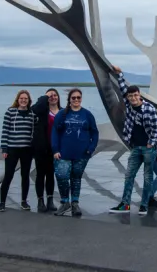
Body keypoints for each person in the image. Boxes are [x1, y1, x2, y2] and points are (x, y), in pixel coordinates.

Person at [109, 65, 157, 216]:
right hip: (135, 147)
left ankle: (144, 205)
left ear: (139, 95)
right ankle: (125, 204)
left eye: (135, 96)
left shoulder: (149, 109)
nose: (132, 98)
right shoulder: (129, 105)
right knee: (129, 175)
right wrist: (119, 74)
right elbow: (123, 90)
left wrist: (151, 142)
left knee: (147, 176)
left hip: (148, 148)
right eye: (130, 96)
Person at [51, 88, 99, 217]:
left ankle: (75, 203)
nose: (76, 100)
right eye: (74, 98)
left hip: (82, 154)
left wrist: (91, 148)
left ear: (81, 99)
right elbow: (55, 132)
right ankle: (65, 201)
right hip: (63, 153)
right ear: (69, 100)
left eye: (78, 97)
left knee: (76, 178)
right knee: (61, 175)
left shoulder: (87, 114)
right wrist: (55, 149)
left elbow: (94, 132)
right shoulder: (62, 114)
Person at [0, 90, 37, 212]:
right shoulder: (10, 112)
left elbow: (37, 130)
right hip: (12, 149)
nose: (23, 100)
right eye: (21, 98)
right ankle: (2, 202)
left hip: (27, 150)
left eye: (26, 99)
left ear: (29, 100)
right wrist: (4, 148)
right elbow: (5, 131)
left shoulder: (32, 114)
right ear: (17, 100)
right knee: (8, 175)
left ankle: (24, 201)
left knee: (25, 176)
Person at [31, 88, 62, 213]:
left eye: (55, 95)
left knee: (50, 174)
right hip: (41, 147)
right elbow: (34, 108)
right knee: (40, 174)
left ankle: (50, 200)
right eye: (50, 96)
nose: (53, 97)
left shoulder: (62, 111)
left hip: (54, 149)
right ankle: (40, 201)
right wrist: (44, 97)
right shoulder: (42, 111)